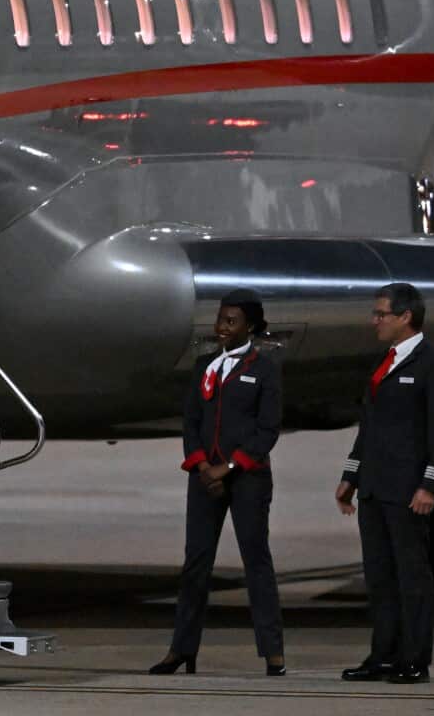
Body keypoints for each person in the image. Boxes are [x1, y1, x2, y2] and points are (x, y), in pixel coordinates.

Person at [151, 289, 286, 677]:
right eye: (220, 320)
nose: (222, 327)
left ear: (251, 326)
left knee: (255, 560)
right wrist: (201, 467)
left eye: (231, 321)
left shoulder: (265, 369)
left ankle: (272, 652)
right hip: (204, 478)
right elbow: (191, 420)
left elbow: (267, 430)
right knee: (195, 563)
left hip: (247, 479)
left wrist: (228, 467)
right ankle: (182, 648)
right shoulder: (205, 365)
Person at [335, 282, 434, 685]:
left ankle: (414, 659)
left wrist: (430, 486)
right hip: (373, 488)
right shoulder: (384, 363)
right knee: (380, 578)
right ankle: (383, 655)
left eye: (381, 314)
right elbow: (369, 429)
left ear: (405, 317)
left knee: (411, 578)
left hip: (407, 491)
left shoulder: (432, 363)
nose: (374, 320)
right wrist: (350, 476)